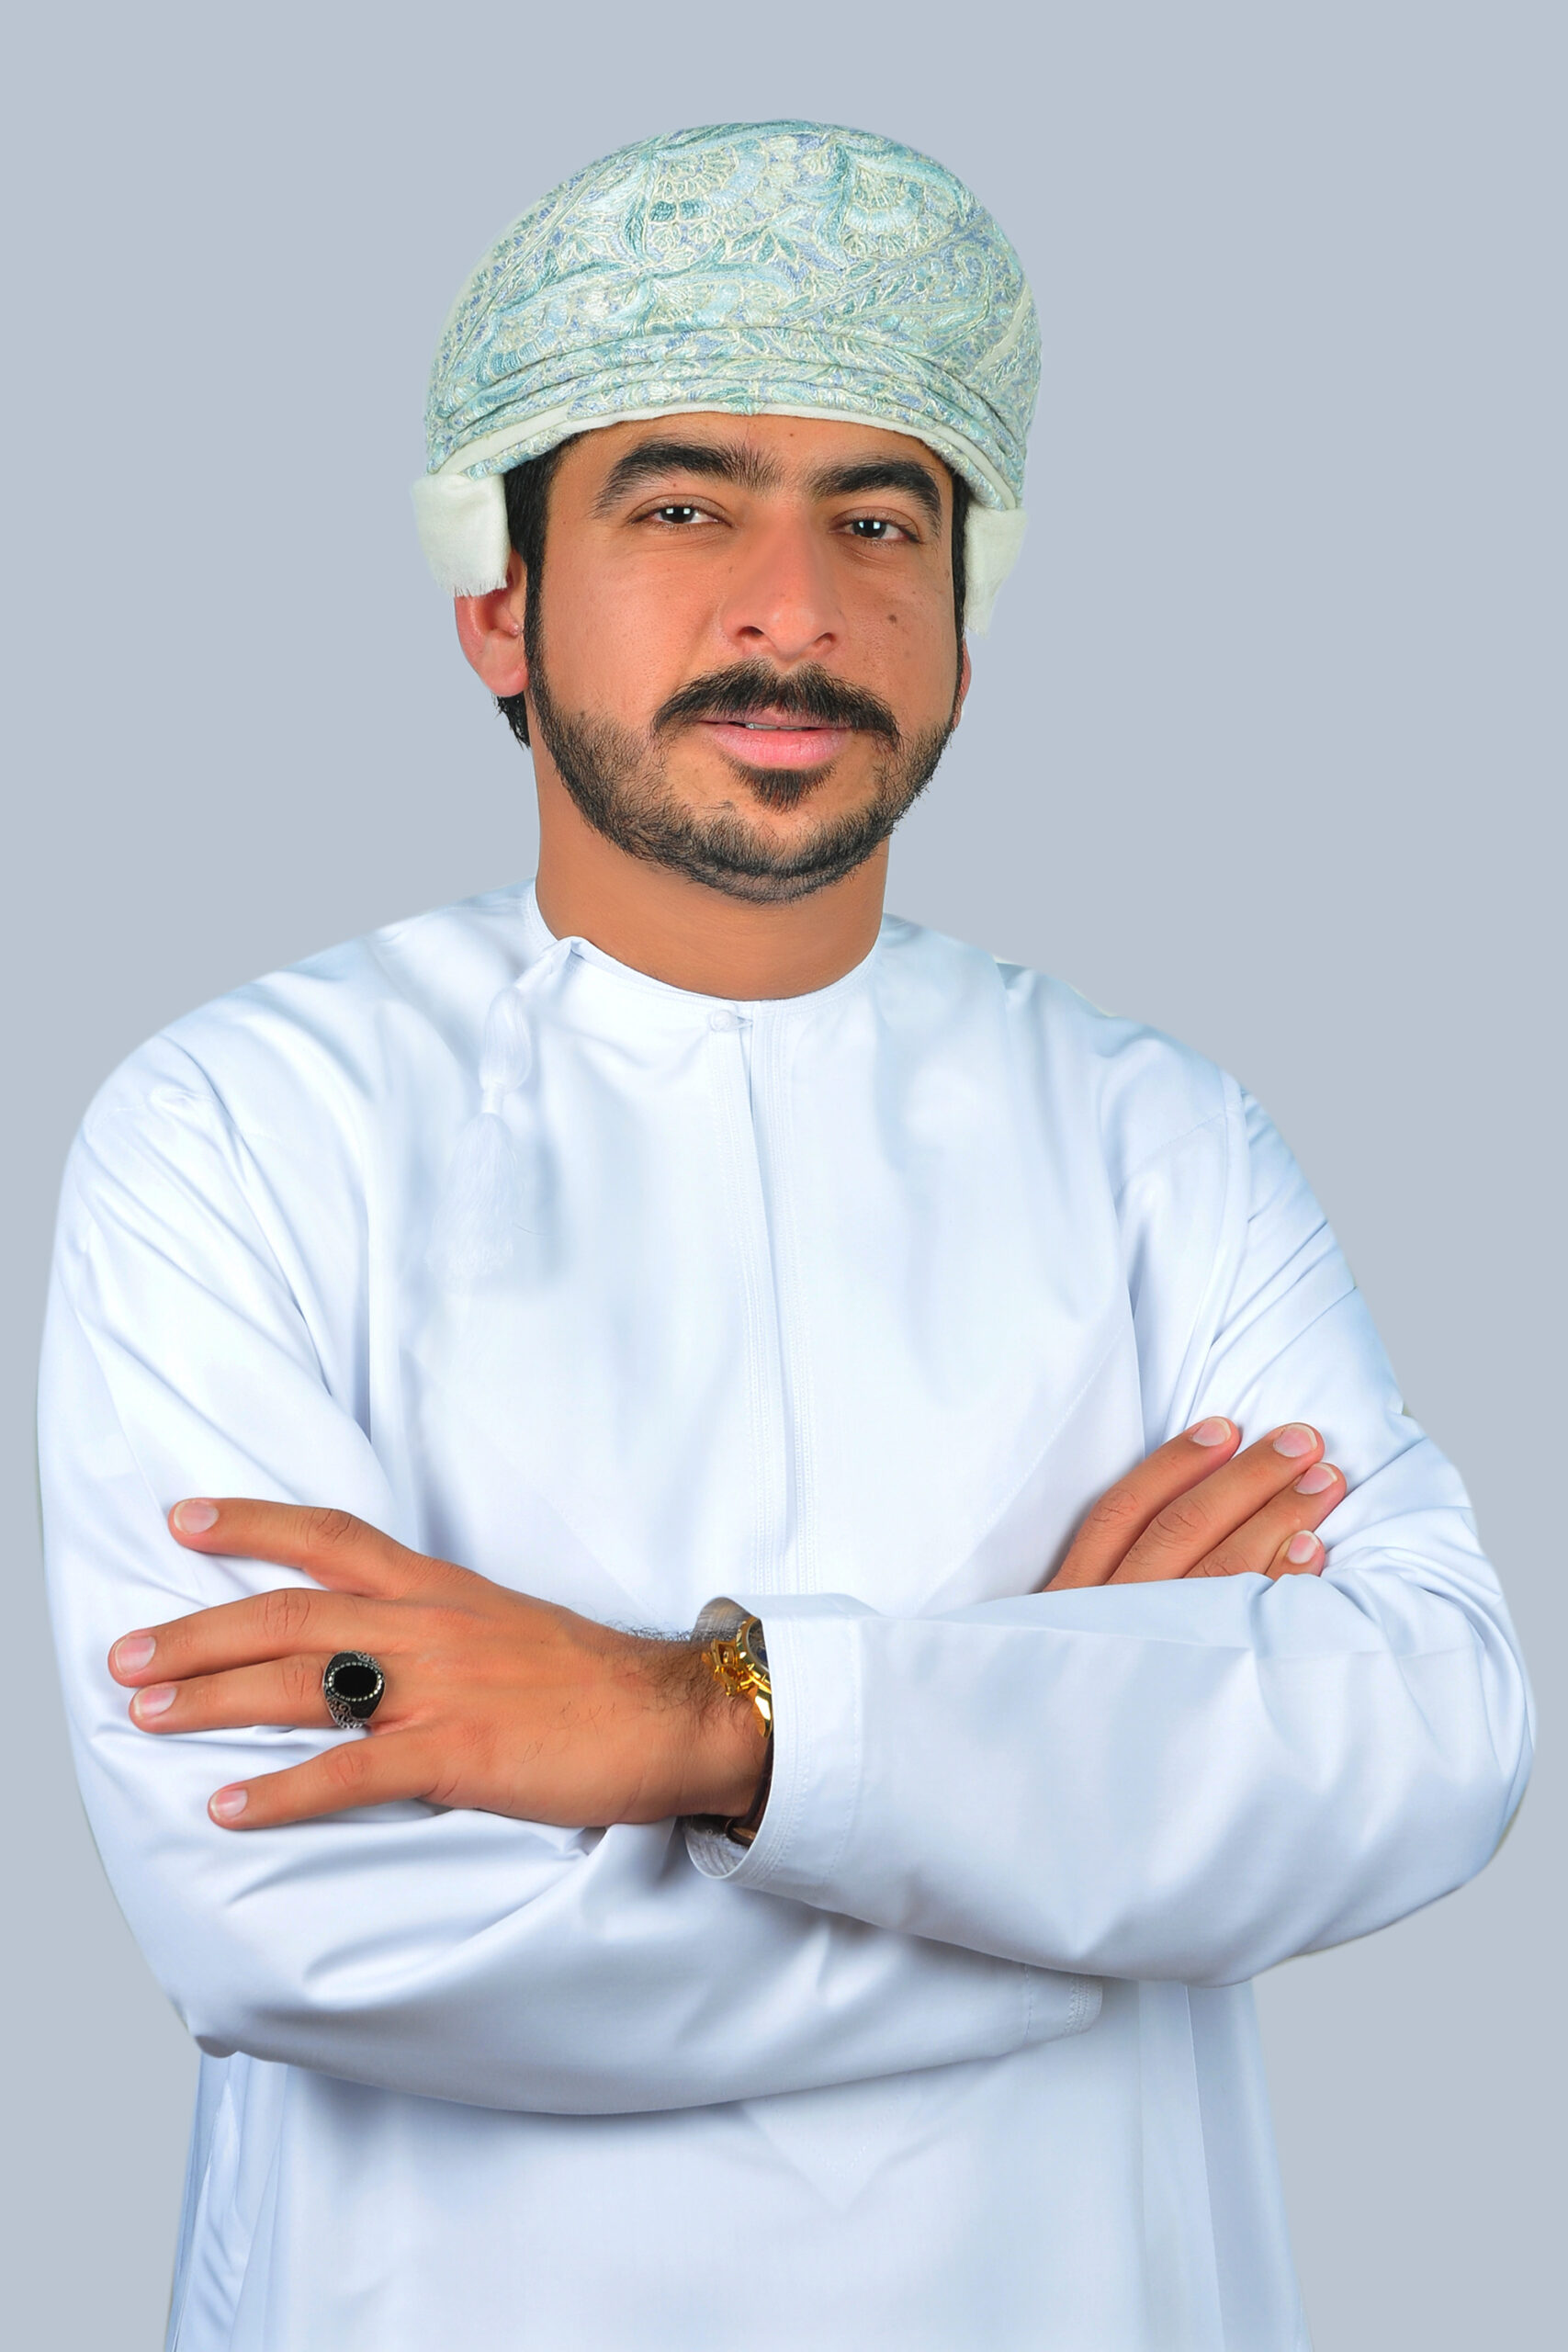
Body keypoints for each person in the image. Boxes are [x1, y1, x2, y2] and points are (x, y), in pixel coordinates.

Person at [39, 121, 1529, 2352]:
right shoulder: (240, 1129)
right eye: (681, 504)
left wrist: (701, 1722)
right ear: (498, 604)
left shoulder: (1160, 1137)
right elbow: (304, 1927)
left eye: (878, 518)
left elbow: (1429, 1727)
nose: (794, 606)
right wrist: (1058, 1805)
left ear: (960, 627)